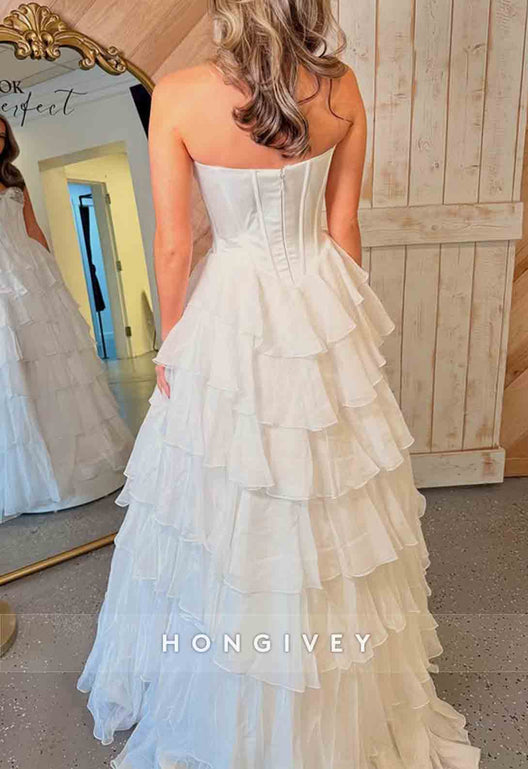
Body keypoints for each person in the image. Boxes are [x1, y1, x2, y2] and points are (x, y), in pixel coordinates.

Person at [77, 1, 481, 767]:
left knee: (224, 490)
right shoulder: (339, 85)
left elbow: (173, 244)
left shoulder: (179, 93)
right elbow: (341, 227)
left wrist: (173, 347)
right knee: (324, 492)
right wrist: (343, 326)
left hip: (229, 305)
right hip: (318, 293)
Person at [0, 116, 133, 522]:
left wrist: (52, 275)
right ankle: (31, 473)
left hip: (31, 271)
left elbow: (33, 229)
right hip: (3, 280)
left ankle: (75, 460)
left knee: (55, 366)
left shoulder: (14, 178)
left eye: (1, 135)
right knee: (15, 369)